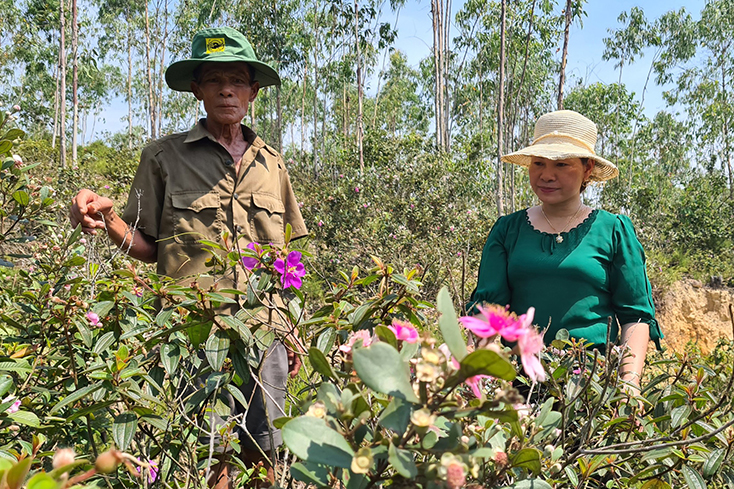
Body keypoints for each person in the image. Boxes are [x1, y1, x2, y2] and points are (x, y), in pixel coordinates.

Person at [69, 27, 308, 488]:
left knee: (268, 448)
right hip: (193, 330)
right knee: (210, 447)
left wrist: (292, 328)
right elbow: (146, 246)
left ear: (253, 91)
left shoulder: (273, 164)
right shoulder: (163, 157)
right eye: (214, 80)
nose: (226, 90)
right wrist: (109, 217)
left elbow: (287, 260)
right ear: (196, 90)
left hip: (266, 331)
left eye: (237, 79)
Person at [468, 110, 662, 391]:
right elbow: (488, 312)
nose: (547, 175)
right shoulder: (507, 230)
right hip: (518, 383)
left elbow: (635, 316)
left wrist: (628, 388)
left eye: (561, 165)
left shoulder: (613, 230)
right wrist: (480, 385)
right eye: (538, 163)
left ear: (587, 169)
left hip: (590, 386)